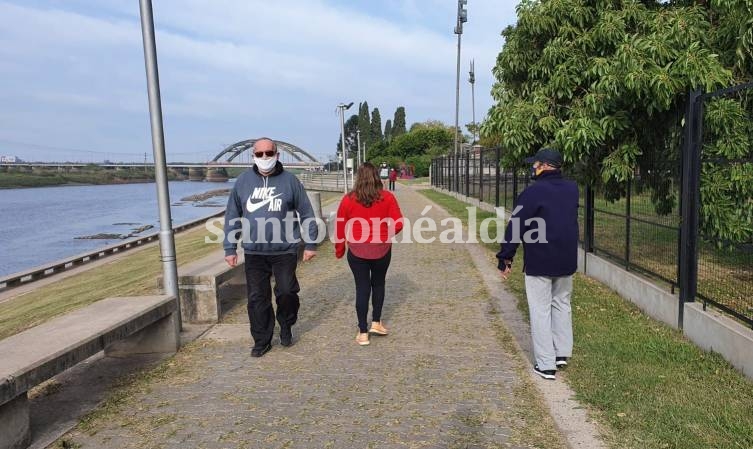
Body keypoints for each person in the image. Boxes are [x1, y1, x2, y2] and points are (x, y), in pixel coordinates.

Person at [223, 138, 318, 358]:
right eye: (259, 154)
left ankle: (286, 325)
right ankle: (262, 340)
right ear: (253, 157)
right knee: (257, 298)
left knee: (286, 292)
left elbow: (306, 213)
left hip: (284, 250)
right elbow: (232, 216)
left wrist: (311, 243)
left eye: (269, 153)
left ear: (277, 154)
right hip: (254, 251)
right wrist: (230, 247)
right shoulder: (242, 182)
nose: (264, 158)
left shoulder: (290, 181)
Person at [497, 148, 578, 380]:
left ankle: (546, 364)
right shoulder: (572, 190)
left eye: (535, 164)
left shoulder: (532, 193)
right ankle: (561, 352)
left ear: (543, 165)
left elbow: (516, 226)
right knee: (562, 303)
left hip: (540, 259)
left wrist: (506, 256)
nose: (532, 167)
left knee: (540, 309)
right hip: (566, 258)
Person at [334, 162, 404, 346]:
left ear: (359, 178)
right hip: (381, 250)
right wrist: (384, 236)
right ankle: (376, 322)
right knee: (378, 284)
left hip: (357, 250)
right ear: (377, 177)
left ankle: (363, 332)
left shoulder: (348, 199)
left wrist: (340, 249)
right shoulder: (387, 197)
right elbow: (399, 223)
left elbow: (340, 226)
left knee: (362, 288)